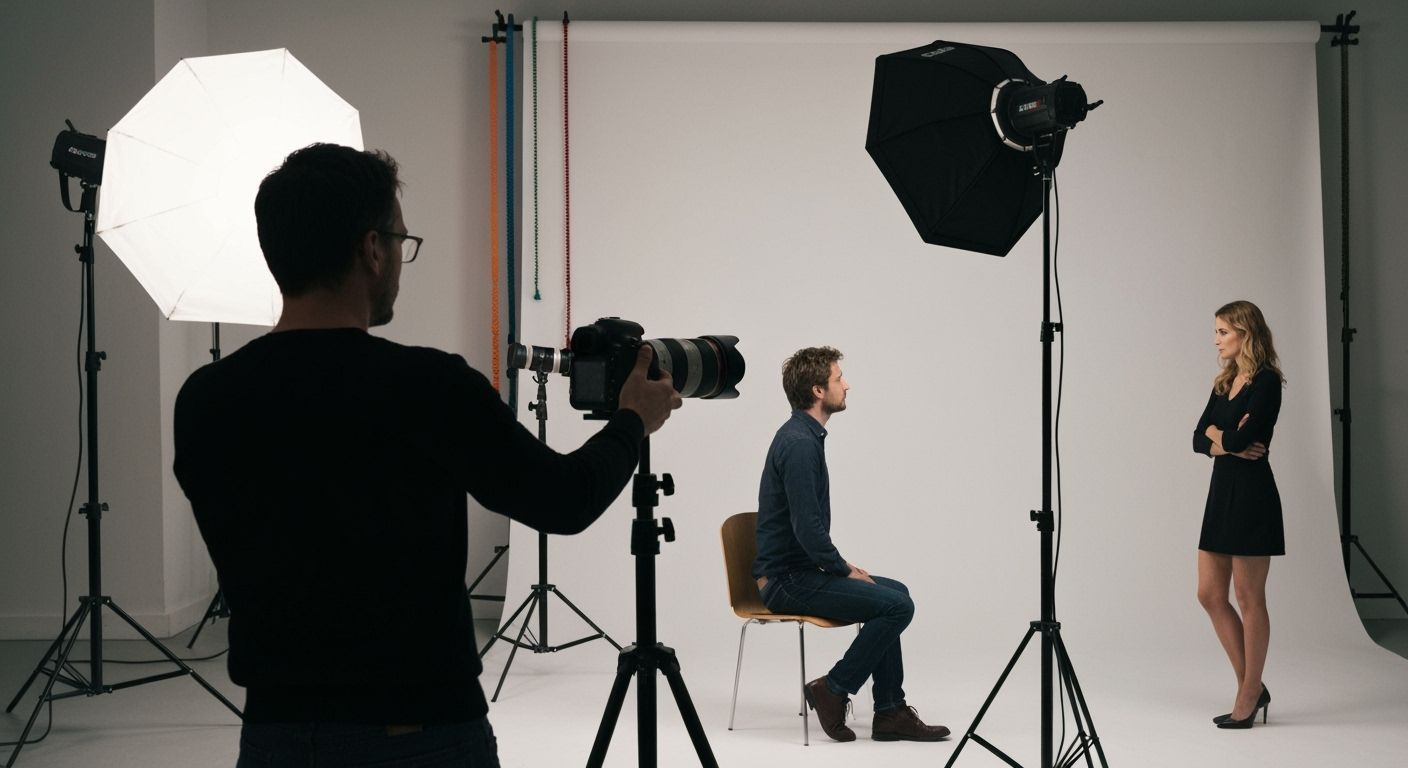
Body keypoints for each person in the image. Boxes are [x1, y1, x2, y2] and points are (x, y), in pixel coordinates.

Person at [173, 143, 681, 766]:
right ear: (372, 248)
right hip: (420, 734)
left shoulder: (205, 399)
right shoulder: (429, 387)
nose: (401, 262)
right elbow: (565, 499)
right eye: (402, 242)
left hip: (275, 734)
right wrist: (634, 419)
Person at [752, 346, 948, 743]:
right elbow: (807, 528)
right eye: (839, 378)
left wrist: (838, 566)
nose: (847, 385)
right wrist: (841, 568)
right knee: (897, 606)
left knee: (897, 593)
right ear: (818, 390)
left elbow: (806, 529)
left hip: (799, 571)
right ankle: (834, 688)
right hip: (785, 580)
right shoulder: (800, 444)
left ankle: (890, 710)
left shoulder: (805, 435)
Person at [1191, 299, 1285, 730]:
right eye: (1216, 332)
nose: (1216, 340)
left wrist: (1221, 434)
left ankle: (1248, 694)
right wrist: (1222, 438)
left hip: (1251, 496)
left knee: (1250, 600)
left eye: (1223, 332)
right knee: (1209, 594)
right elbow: (1198, 437)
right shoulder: (1224, 381)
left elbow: (1250, 436)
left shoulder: (1266, 382)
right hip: (1221, 492)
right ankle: (1254, 684)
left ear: (1246, 333)